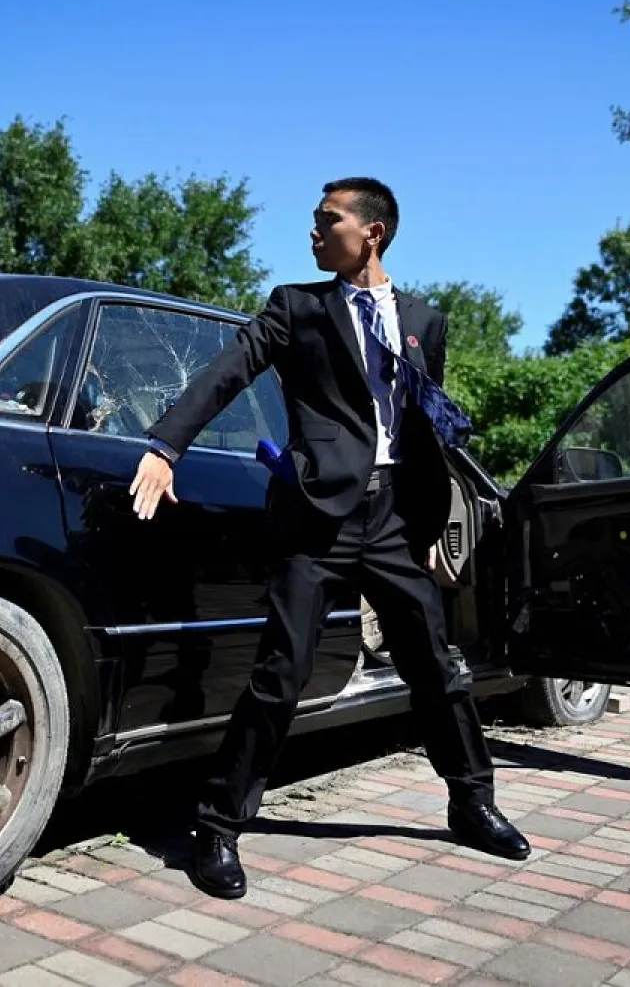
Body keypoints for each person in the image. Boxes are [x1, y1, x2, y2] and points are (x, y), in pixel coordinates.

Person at [128, 178, 529, 900]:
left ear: (372, 233)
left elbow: (424, 426)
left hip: (396, 519)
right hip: (318, 516)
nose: (313, 232)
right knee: (281, 672)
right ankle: (216, 827)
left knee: (436, 667)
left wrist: (431, 522)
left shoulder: (424, 320)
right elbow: (226, 373)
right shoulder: (297, 307)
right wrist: (166, 446)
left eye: (327, 220)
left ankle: (472, 801)